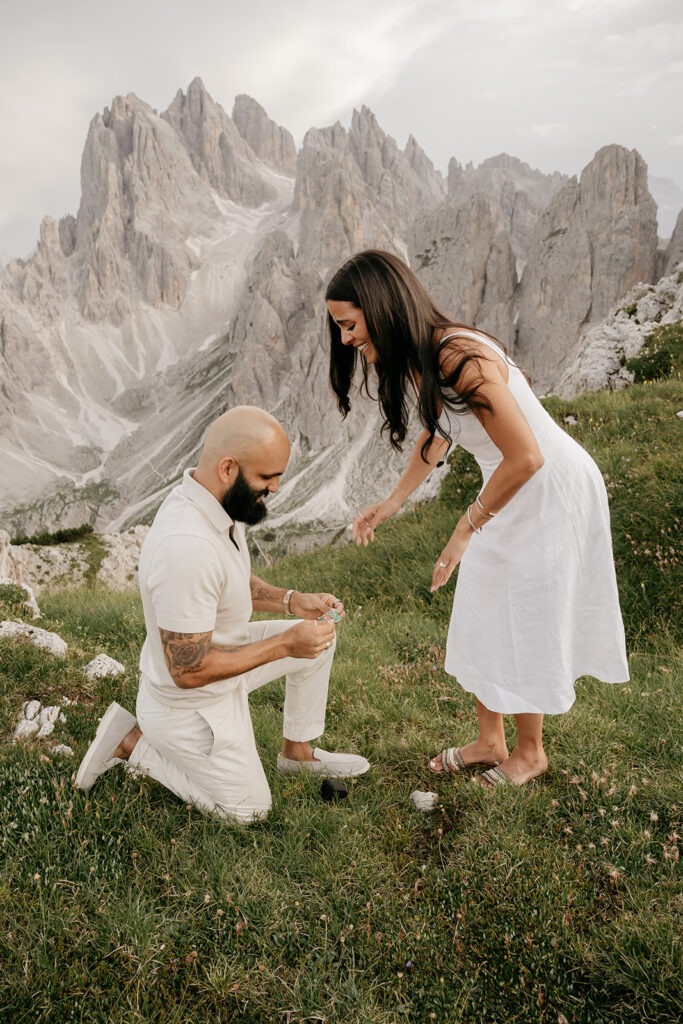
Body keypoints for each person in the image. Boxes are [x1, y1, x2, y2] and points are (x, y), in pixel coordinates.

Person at [325, 249, 629, 787]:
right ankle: (491, 742)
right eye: (339, 329)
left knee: (526, 613)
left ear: (382, 306)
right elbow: (439, 430)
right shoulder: (423, 355)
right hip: (510, 483)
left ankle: (530, 752)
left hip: (549, 489)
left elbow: (527, 456)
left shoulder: (458, 354)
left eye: (350, 324)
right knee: (483, 606)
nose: (346, 339)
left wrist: (466, 527)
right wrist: (393, 501)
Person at [75, 406, 369, 823]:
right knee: (248, 811)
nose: (276, 487)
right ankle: (132, 743)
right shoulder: (186, 546)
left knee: (319, 640)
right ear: (228, 468)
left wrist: (292, 600)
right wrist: (285, 643)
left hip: (223, 664)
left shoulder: (216, 502)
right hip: (188, 707)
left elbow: (227, 578)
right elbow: (188, 670)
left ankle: (298, 754)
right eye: (267, 477)